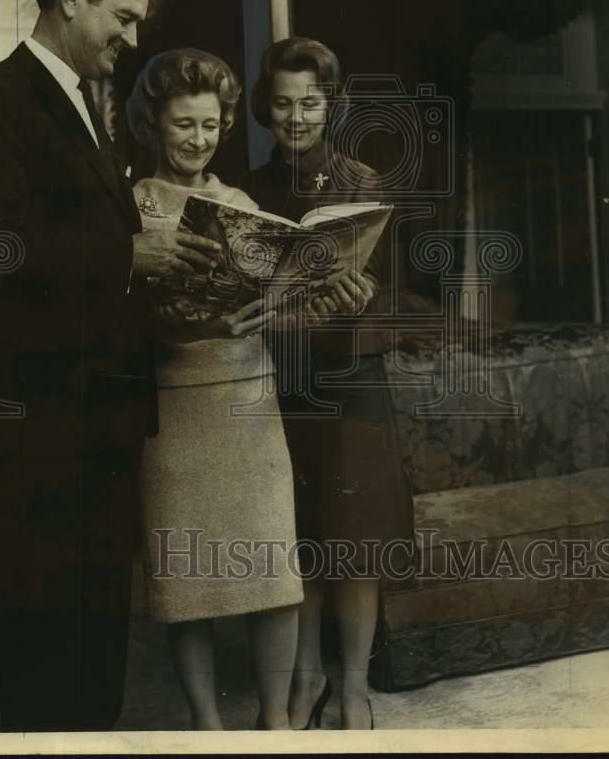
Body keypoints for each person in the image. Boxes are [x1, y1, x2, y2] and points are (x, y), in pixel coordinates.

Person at [0, 0, 220, 731]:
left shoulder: (79, 104)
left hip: (95, 421)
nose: (131, 40)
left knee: (94, 630)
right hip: (41, 428)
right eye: (121, 18)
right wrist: (127, 251)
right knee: (43, 634)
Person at [241, 36, 416, 731]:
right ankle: (306, 674)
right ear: (266, 108)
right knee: (299, 535)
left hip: (350, 376)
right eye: (282, 103)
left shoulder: (363, 184)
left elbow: (393, 284)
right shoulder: (249, 189)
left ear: (331, 105)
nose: (295, 117)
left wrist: (362, 292)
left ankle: (352, 686)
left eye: (309, 102)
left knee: (356, 536)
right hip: (281, 378)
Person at [126, 48, 303, 731]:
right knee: (186, 576)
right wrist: (185, 316)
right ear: (154, 124)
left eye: (209, 125)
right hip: (174, 401)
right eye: (183, 125)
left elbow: (276, 295)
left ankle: (278, 721)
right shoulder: (133, 204)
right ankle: (206, 725)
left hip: (249, 399)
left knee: (273, 569)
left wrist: (286, 292)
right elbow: (119, 314)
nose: (197, 140)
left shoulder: (240, 205)